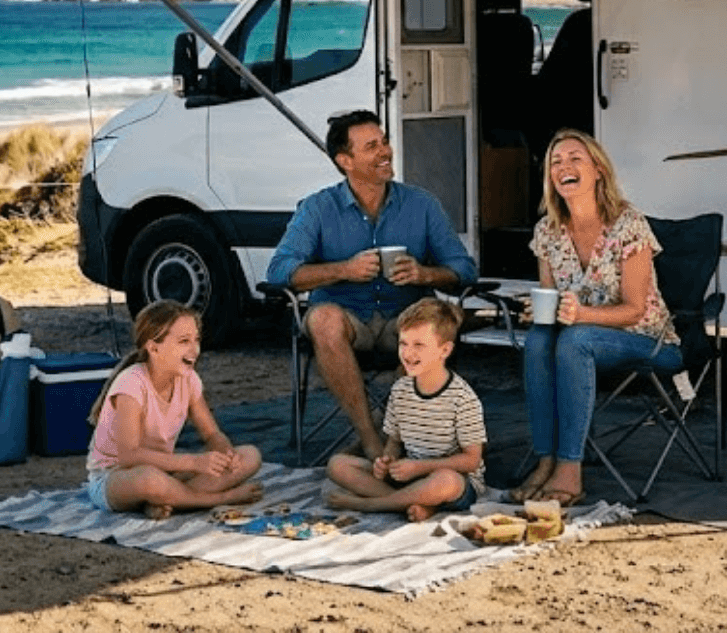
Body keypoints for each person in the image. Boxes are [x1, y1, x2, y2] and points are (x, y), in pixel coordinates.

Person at [266, 109, 479, 459]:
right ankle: (369, 438)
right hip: (350, 320)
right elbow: (279, 270)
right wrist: (342, 270)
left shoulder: (421, 204)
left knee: (440, 319)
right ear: (345, 160)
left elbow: (464, 270)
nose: (386, 151)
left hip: (405, 318)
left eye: (384, 142)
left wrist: (425, 274)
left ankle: (389, 434)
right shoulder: (319, 208)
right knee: (322, 320)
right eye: (372, 147)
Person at [512, 128, 677, 507]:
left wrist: (582, 314)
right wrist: (538, 310)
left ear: (598, 170)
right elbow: (550, 298)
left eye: (575, 159)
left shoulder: (628, 224)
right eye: (556, 161)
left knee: (575, 339)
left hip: (648, 339)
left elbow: (636, 309)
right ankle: (546, 459)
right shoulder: (548, 232)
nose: (563, 167)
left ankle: (571, 469)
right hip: (581, 337)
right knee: (539, 339)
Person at [84, 301, 264, 518]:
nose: (194, 349)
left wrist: (226, 453)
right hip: (115, 478)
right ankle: (217, 499)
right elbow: (128, 457)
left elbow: (211, 433)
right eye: (184, 341)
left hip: (165, 471)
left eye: (196, 340)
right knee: (150, 480)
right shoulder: (131, 383)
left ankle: (164, 500)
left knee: (250, 456)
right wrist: (194, 463)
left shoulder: (188, 380)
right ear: (154, 348)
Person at [324, 298, 487, 521]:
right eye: (403, 344)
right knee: (338, 464)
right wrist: (386, 461)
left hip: (453, 482)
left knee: (445, 481)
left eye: (419, 345)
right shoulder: (401, 389)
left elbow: (471, 461)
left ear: (444, 350)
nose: (408, 353)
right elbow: (394, 442)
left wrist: (420, 468)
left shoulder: (462, 398)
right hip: (410, 474)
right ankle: (415, 504)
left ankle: (375, 504)